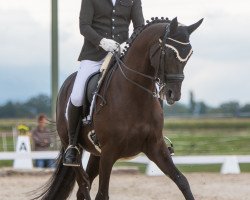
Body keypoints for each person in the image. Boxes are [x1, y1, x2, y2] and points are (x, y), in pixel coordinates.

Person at [63, 0, 145, 166]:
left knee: (153, 86)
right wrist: (102, 41)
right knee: (78, 96)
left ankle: (157, 136)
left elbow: (139, 27)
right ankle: (72, 145)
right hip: (94, 55)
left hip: (123, 54)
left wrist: (128, 44)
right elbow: (84, 26)